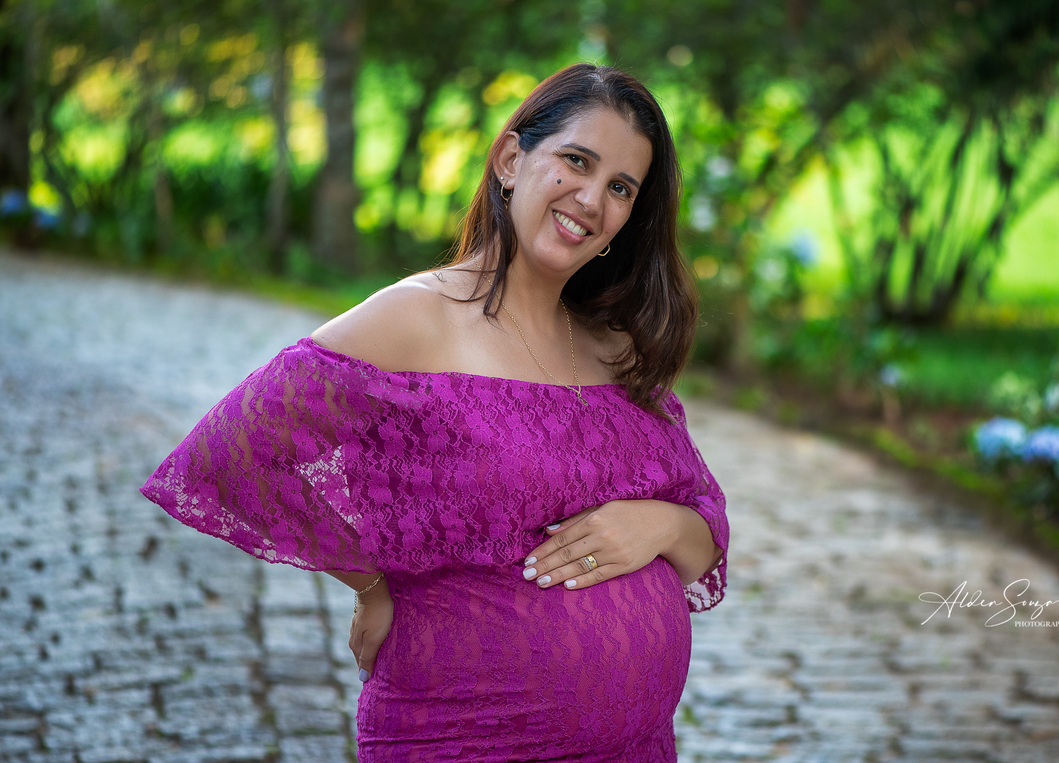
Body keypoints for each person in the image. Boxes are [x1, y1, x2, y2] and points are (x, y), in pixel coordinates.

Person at [141, 62, 728, 762]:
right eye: (577, 161)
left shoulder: (615, 348)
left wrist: (658, 524)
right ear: (510, 160)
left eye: (621, 187)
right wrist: (370, 581)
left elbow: (705, 531)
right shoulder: (417, 318)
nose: (592, 199)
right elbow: (234, 453)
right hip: (462, 735)